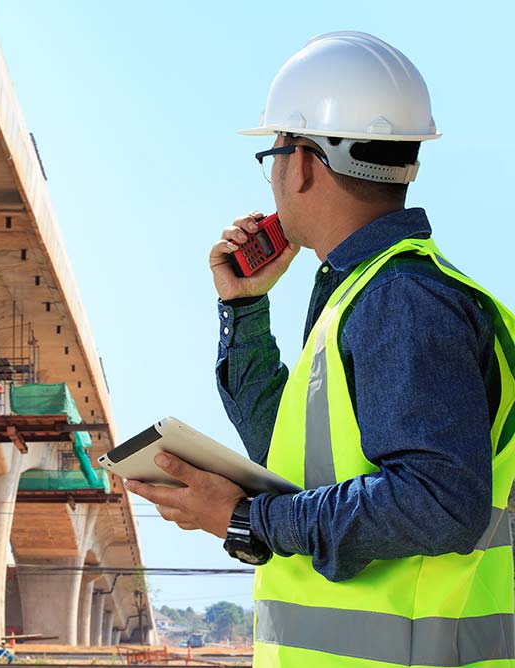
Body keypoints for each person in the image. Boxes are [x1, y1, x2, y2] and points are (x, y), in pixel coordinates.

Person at [124, 31, 515, 667]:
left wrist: (251, 519)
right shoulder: (365, 292)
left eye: (273, 154)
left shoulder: (400, 299)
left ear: (303, 160)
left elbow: (439, 502)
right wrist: (245, 308)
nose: (276, 174)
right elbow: (287, 452)